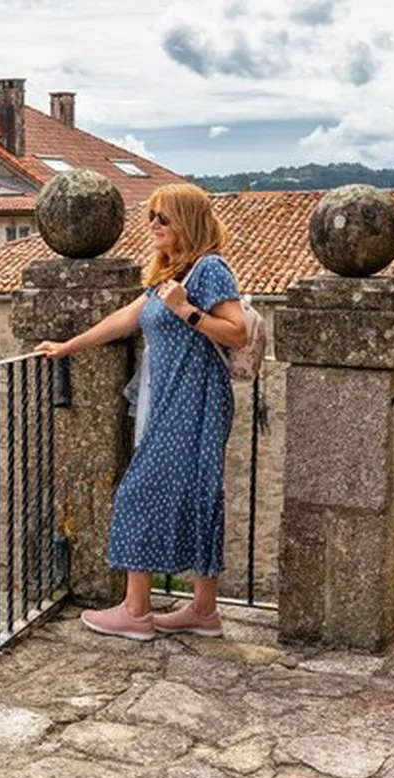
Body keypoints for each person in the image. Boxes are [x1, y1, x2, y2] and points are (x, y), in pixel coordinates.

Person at [35, 182, 248, 641]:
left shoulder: (209, 269)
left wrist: (186, 311)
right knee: (198, 493)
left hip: (196, 399)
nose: (154, 224)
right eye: (152, 215)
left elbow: (237, 333)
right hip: (174, 398)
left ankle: (135, 612)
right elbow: (125, 319)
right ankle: (203, 612)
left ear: (187, 222)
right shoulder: (173, 272)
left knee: (137, 492)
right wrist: (68, 346)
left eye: (164, 217)